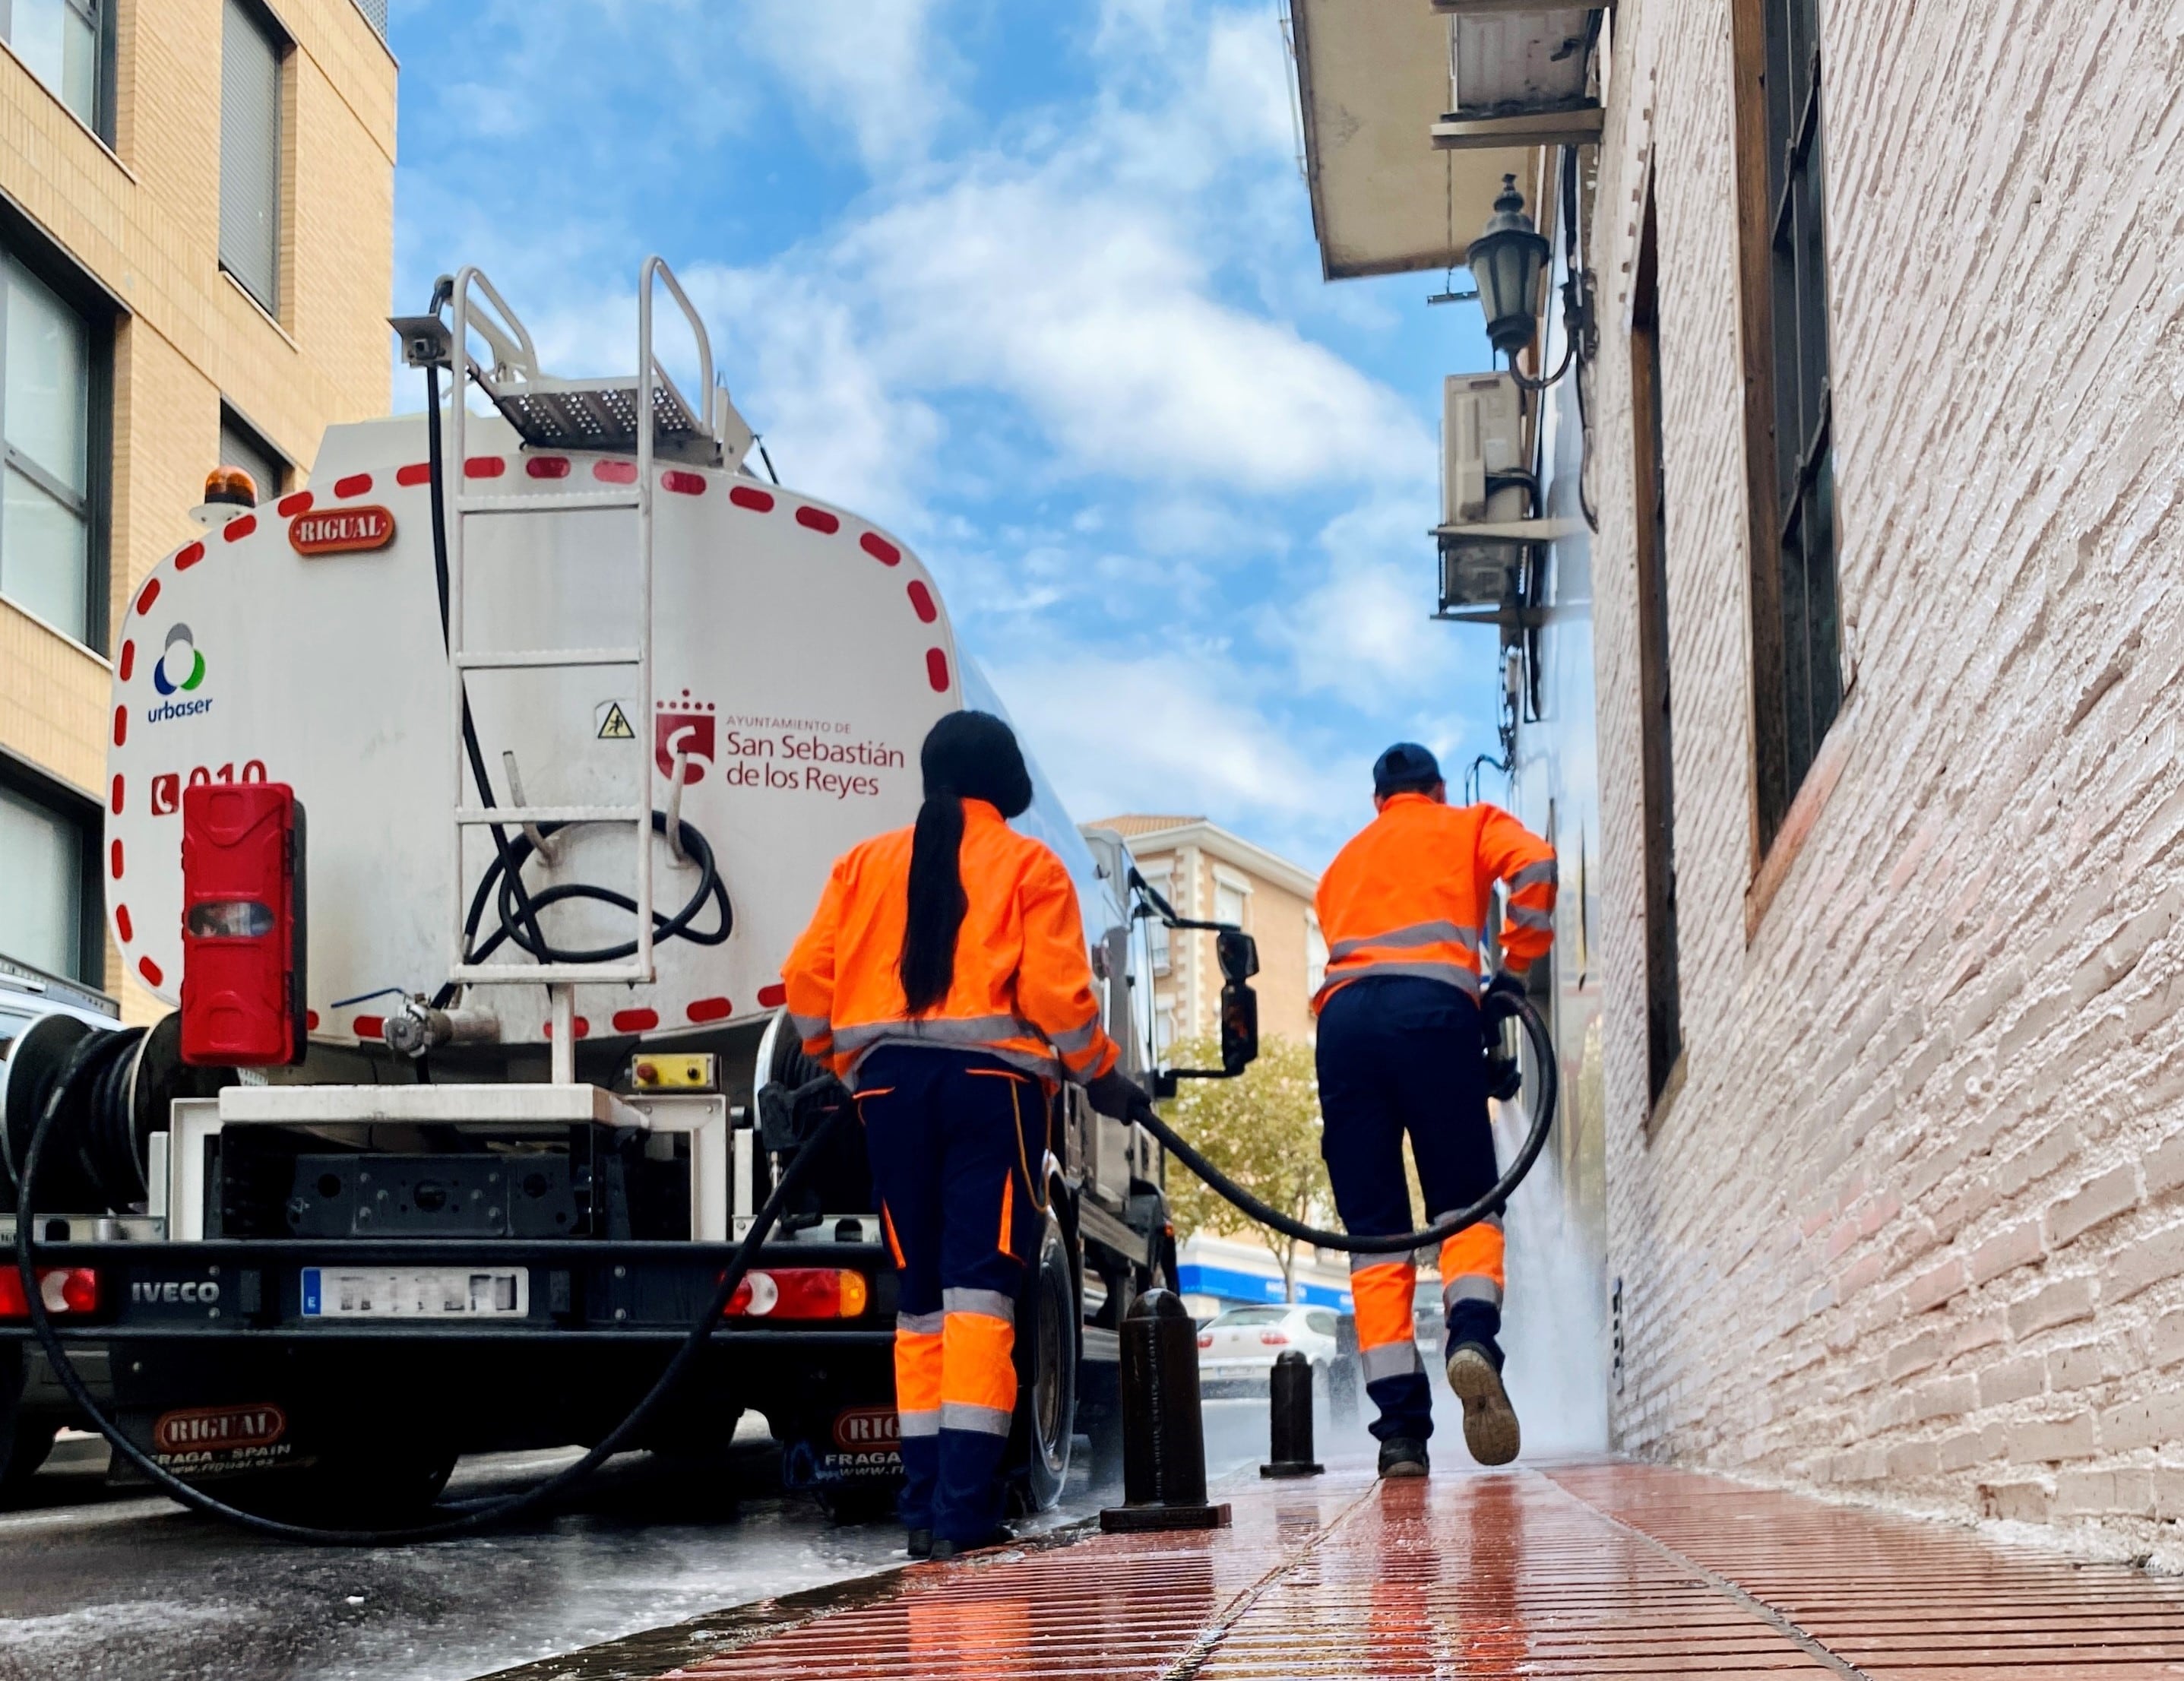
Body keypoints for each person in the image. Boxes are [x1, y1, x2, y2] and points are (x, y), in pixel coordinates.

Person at [780, 711, 1146, 1558]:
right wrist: (1101, 1071)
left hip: (891, 1092)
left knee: (920, 1302)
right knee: (982, 1295)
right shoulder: (1028, 864)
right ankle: (963, 1515)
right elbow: (1059, 1001)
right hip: (994, 1092)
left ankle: (924, 1512)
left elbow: (805, 984)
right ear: (1006, 777)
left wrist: (847, 1064)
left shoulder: (863, 864)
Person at [1312, 742, 1556, 1476]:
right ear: (1438, 789)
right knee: (1467, 1205)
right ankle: (1472, 1337)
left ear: (1378, 800)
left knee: (1376, 1235)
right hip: (1435, 1016)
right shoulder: (1468, 825)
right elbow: (1537, 865)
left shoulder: (1341, 866)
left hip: (1344, 1028)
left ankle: (1399, 1436)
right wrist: (1512, 970)